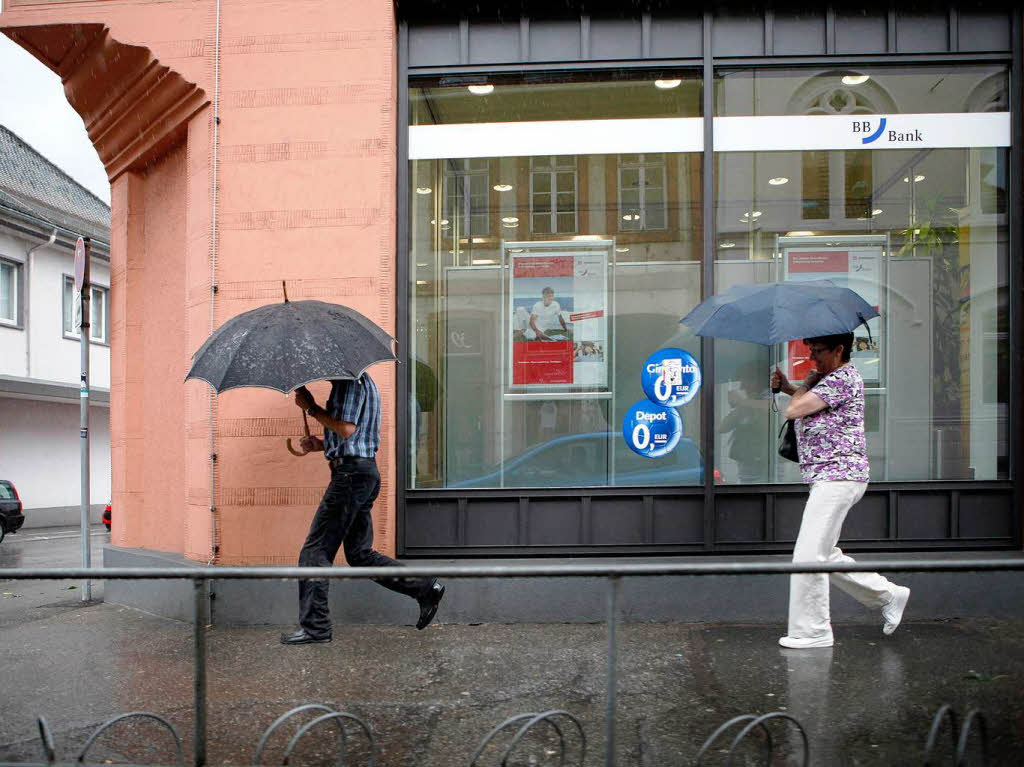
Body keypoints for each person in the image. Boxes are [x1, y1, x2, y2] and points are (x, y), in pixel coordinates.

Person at [280, 374, 445, 644]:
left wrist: (311, 407)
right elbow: (354, 436)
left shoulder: (349, 383)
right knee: (358, 553)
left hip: (350, 475)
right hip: (362, 472)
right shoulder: (362, 382)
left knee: (315, 550)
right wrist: (320, 445)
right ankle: (425, 588)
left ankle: (316, 628)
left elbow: (347, 429)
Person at [771, 332, 909, 649]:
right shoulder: (832, 377)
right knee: (825, 555)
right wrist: (791, 387)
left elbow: (795, 410)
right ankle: (889, 595)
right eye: (810, 351)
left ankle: (813, 631)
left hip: (839, 476)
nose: (813, 357)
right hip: (831, 477)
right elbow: (810, 401)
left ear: (839, 350)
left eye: (818, 351)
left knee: (808, 556)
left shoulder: (843, 377)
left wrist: (804, 384)